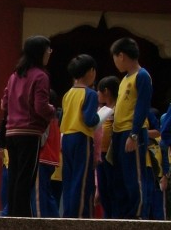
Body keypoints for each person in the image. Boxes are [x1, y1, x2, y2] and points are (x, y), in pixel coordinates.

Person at [1, 35, 56, 217]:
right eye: (48, 50)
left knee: (14, 174)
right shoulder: (41, 76)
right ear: (40, 52)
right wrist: (53, 111)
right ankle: (23, 217)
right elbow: (40, 106)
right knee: (26, 176)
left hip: (11, 132)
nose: (49, 53)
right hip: (29, 131)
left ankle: (12, 215)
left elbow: (4, 103)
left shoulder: (14, 75)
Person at [109, 37, 153, 219]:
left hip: (132, 132)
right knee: (120, 177)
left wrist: (134, 134)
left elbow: (142, 106)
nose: (115, 62)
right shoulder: (124, 79)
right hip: (118, 132)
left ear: (121, 56)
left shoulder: (142, 76)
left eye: (115, 58)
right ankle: (123, 215)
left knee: (134, 176)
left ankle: (137, 214)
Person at [60, 55, 100, 218]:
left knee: (69, 178)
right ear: (91, 71)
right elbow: (90, 120)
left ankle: (69, 213)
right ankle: (80, 216)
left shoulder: (68, 94)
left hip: (66, 137)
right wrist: (99, 117)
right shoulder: (90, 94)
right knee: (82, 179)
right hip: (81, 137)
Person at [94, 76, 119, 218]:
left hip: (111, 154)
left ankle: (115, 217)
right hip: (100, 154)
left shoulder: (117, 109)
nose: (97, 94)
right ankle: (107, 218)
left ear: (106, 91)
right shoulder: (101, 109)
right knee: (103, 188)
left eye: (99, 90)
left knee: (112, 187)